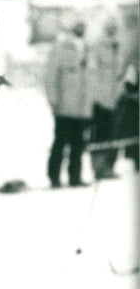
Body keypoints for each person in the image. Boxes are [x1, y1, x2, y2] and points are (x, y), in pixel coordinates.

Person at [44, 18, 91, 188]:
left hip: (81, 107)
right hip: (63, 105)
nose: (81, 28)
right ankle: (54, 176)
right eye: (78, 25)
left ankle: (75, 177)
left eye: (83, 25)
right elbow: (50, 76)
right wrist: (53, 99)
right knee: (60, 141)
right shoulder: (60, 48)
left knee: (79, 143)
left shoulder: (87, 48)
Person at [88, 16, 123, 180]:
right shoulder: (98, 45)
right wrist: (100, 97)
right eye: (110, 27)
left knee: (113, 134)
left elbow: (120, 73)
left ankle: (109, 166)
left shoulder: (119, 46)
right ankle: (98, 167)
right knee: (100, 134)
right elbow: (93, 73)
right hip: (101, 100)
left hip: (115, 97)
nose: (112, 30)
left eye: (114, 27)